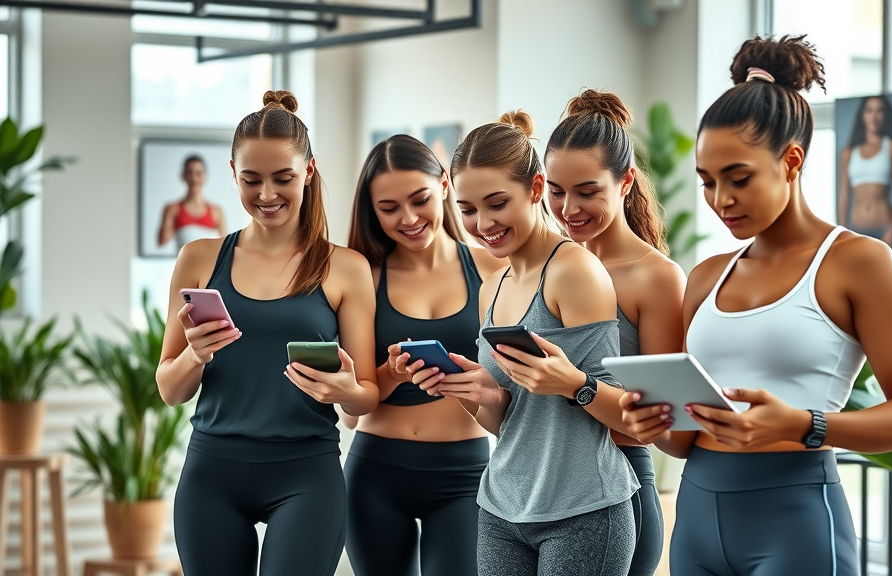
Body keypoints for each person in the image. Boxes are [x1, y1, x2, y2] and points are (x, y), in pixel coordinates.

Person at [620, 35, 892, 576]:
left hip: (795, 522)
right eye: (707, 182)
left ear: (791, 161)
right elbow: (679, 441)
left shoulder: (858, 262)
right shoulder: (703, 278)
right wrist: (651, 418)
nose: (721, 199)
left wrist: (803, 424)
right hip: (696, 520)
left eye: (738, 179)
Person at [156, 90, 379, 576]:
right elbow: (170, 391)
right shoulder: (199, 258)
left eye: (284, 178)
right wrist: (194, 356)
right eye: (251, 179)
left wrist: (346, 390)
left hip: (307, 474)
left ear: (309, 172)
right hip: (211, 473)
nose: (267, 194)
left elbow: (365, 399)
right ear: (232, 172)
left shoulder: (346, 268)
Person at [412, 111, 640, 576]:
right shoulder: (491, 288)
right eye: (468, 209)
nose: (483, 223)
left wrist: (573, 383)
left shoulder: (574, 272)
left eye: (497, 203)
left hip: (582, 512)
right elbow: (511, 424)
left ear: (536, 189)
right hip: (502, 508)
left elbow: (631, 422)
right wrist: (475, 393)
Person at [342, 134, 505, 576]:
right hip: (375, 470)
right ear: (371, 211)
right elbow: (351, 414)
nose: (409, 218)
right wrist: (392, 373)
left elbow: (512, 388)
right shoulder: (363, 277)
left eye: (420, 200)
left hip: (465, 474)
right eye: (389, 208)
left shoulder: (492, 269)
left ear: (446, 185)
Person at [544, 89, 686, 576]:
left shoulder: (656, 278)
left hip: (620, 486)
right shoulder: (544, 266)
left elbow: (661, 419)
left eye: (588, 191)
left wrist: (574, 385)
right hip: (544, 487)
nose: (568, 208)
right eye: (556, 191)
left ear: (626, 182)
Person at [837, 96, 892, 250]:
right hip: (856, 230)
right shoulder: (848, 153)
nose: (874, 116)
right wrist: (843, 233)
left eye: (879, 111)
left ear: (885, 115)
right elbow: (843, 196)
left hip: (885, 229)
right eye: (869, 111)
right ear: (862, 115)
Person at [158, 155, 228, 250]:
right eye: (190, 173)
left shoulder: (216, 212)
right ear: (183, 175)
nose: (194, 178)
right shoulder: (172, 209)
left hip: (209, 264)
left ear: (204, 176)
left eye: (198, 173)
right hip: (182, 264)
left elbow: (226, 248)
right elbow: (162, 243)